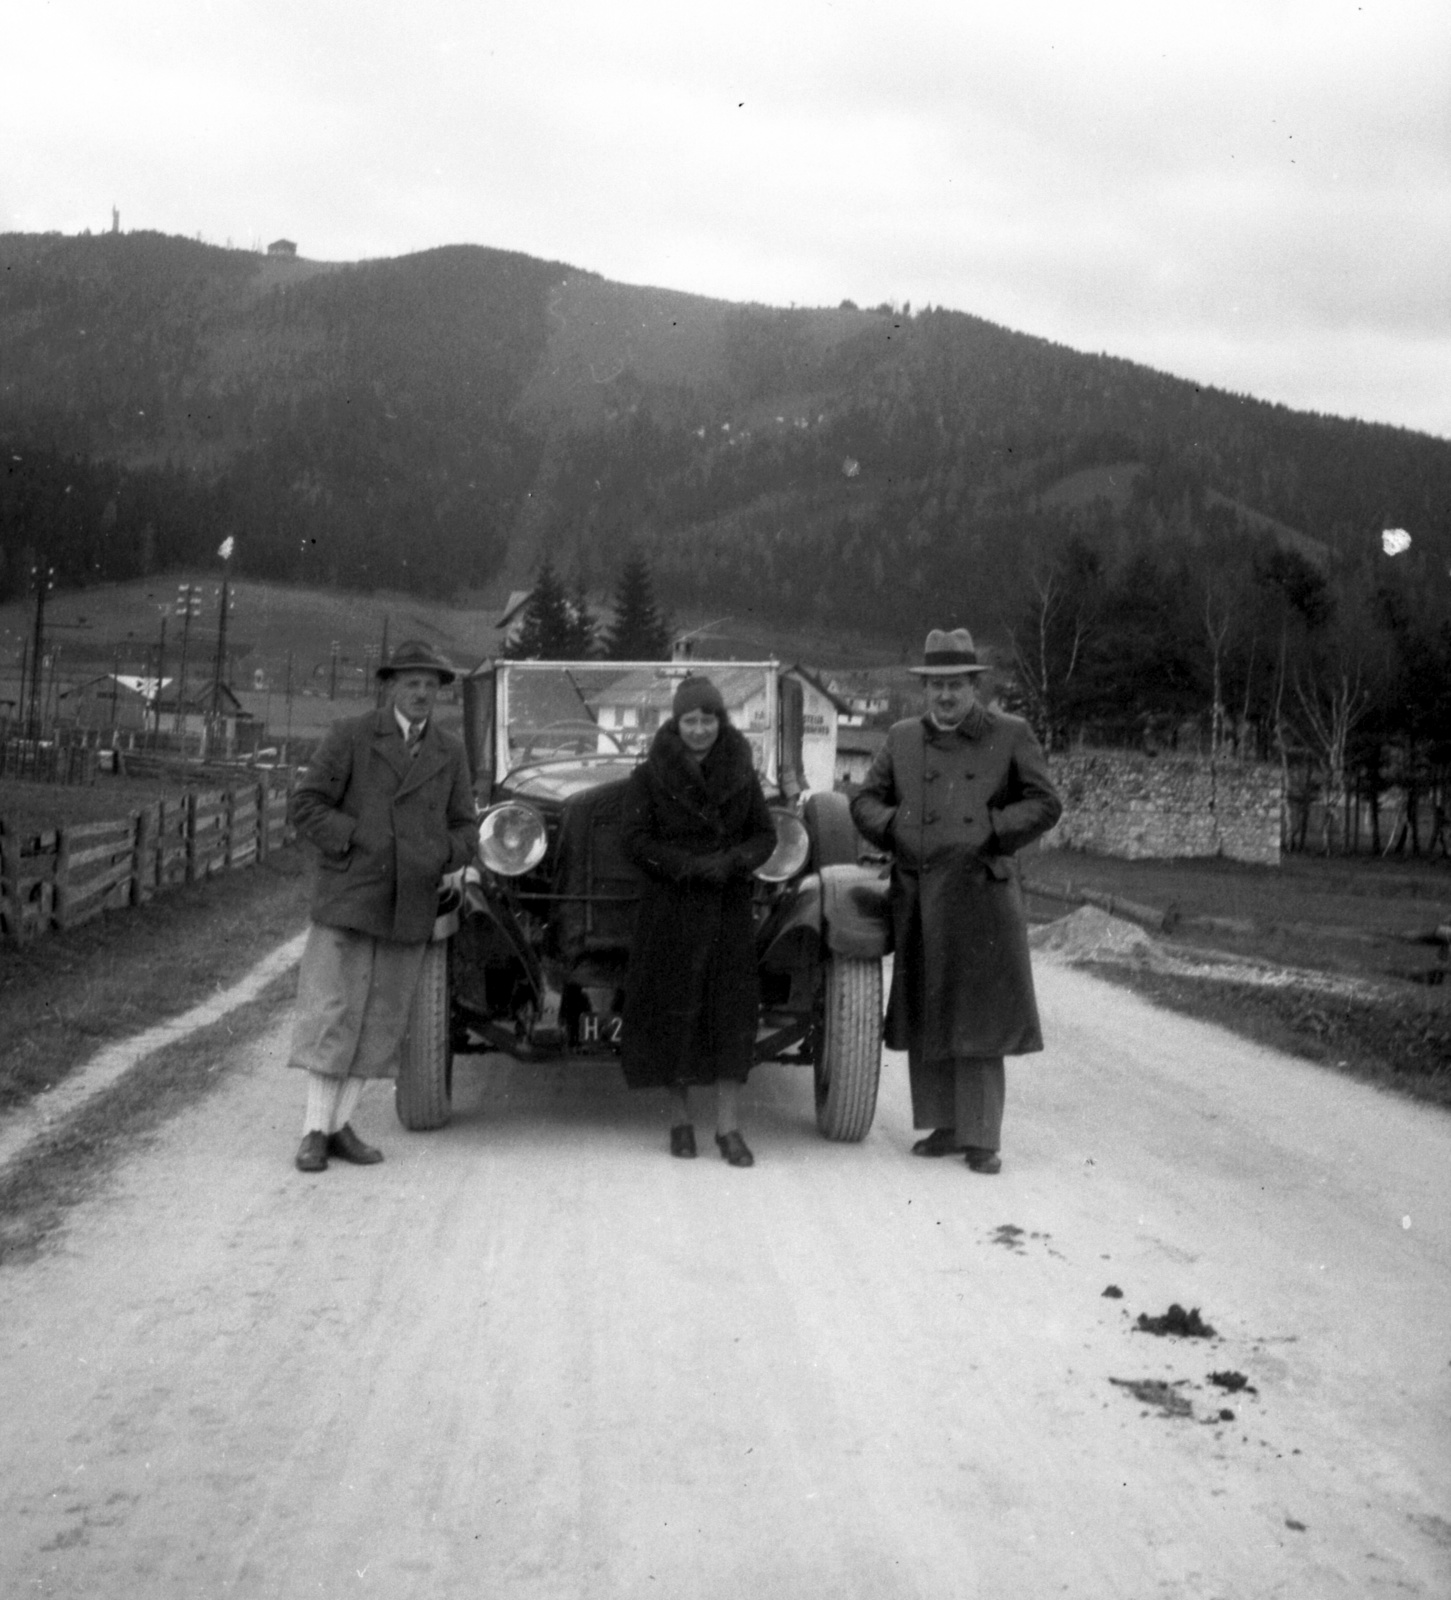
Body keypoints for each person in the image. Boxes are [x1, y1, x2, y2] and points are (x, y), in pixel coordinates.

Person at [850, 628, 1062, 1174]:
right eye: (937, 686)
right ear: (925, 688)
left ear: (974, 686)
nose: (945, 697)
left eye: (957, 685)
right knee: (929, 1011)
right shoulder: (901, 738)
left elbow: (1045, 801)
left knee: (981, 1018)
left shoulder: (1010, 734)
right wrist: (896, 826)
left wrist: (992, 830)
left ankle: (983, 1137)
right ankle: (944, 1127)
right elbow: (865, 801)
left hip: (981, 895)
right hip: (920, 894)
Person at [286, 640, 478, 1173]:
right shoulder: (352, 735)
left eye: (432, 685)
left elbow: (466, 826)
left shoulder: (449, 751)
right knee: (334, 1012)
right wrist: (355, 839)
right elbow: (306, 804)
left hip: (410, 904)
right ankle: (312, 1133)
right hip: (351, 896)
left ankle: (338, 1127)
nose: (422, 693)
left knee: (379, 1022)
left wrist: (441, 852)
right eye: (412, 682)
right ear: (390, 685)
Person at [619, 675, 777, 1166]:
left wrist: (731, 863)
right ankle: (680, 1122)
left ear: (720, 720)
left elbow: (764, 836)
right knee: (674, 1012)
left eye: (709, 718)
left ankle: (729, 1129)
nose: (700, 729)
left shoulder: (742, 773)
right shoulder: (648, 776)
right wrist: (684, 866)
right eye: (690, 719)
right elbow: (635, 841)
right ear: (676, 722)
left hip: (727, 906)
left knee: (730, 1016)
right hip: (672, 907)